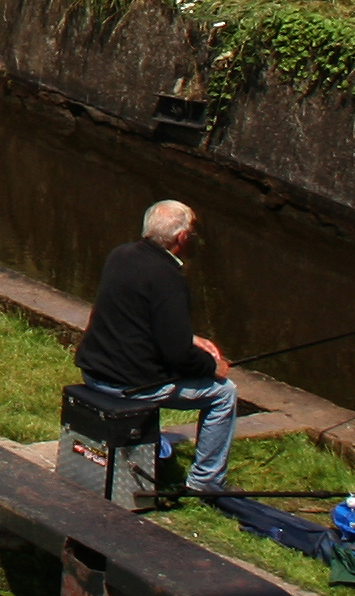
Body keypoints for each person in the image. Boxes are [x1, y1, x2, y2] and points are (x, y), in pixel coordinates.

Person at [75, 199, 239, 496]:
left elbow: (135, 316)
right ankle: (206, 481)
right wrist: (213, 367)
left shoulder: (120, 255)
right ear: (182, 238)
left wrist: (189, 337)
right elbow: (178, 357)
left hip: (94, 372)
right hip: (129, 384)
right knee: (224, 394)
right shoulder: (168, 277)